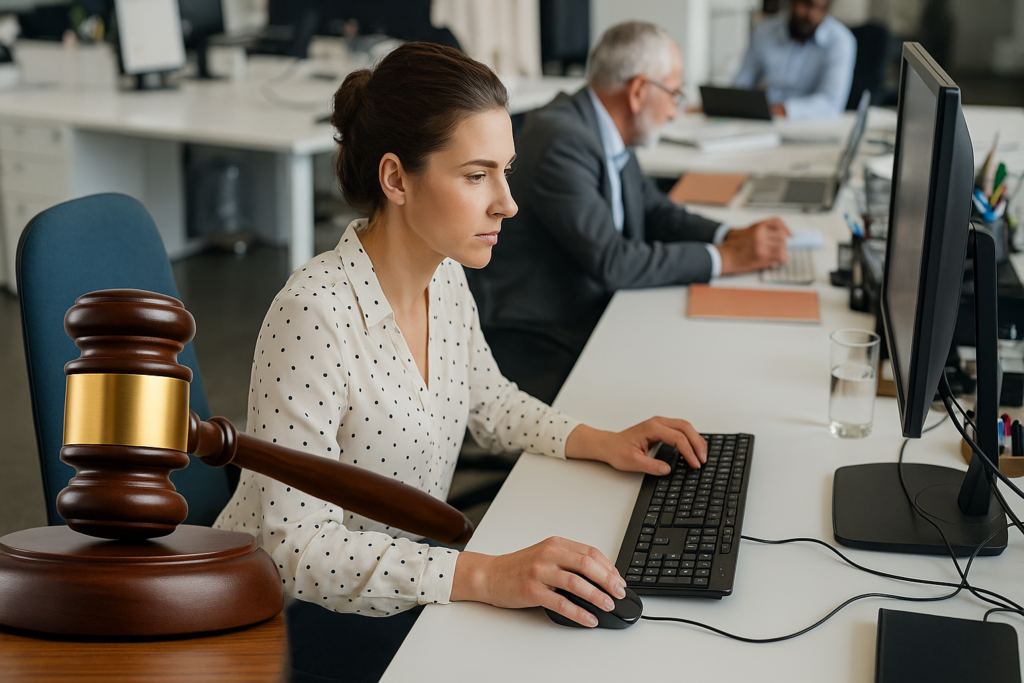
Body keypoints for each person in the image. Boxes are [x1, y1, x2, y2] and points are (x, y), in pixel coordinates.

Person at [213, 42, 708, 682]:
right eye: (476, 176)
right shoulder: (314, 315)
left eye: (505, 170)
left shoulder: (443, 274)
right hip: (286, 620)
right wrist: (484, 573)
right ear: (396, 179)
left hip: (407, 578)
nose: (507, 202)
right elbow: (296, 551)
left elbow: (490, 402)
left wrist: (602, 441)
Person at [470, 21, 790, 404]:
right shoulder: (562, 138)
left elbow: (655, 210)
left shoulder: (605, 129)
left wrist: (727, 235)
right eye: (673, 93)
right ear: (639, 91)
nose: (676, 110)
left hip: (598, 311)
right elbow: (613, 261)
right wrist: (728, 258)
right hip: (545, 333)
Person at [733, 0, 857, 120]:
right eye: (807, 4)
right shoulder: (763, 32)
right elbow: (741, 86)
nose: (812, 15)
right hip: (763, 121)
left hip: (810, 124)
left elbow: (831, 104)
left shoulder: (840, 41)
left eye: (822, 8)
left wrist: (782, 110)